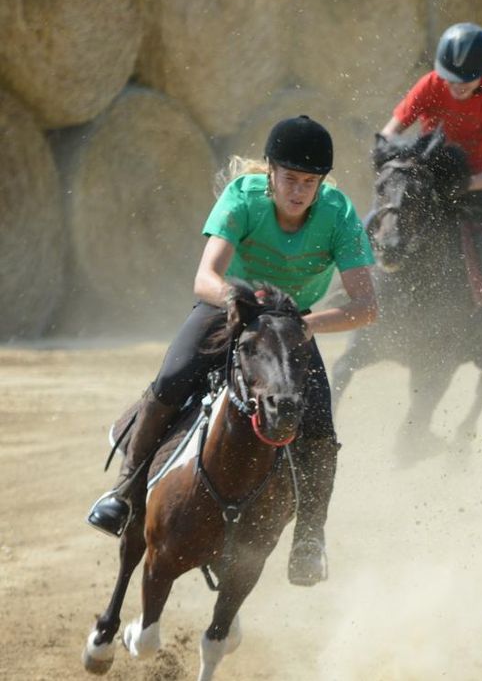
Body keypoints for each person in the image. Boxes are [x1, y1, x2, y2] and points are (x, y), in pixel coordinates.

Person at [85, 115, 378, 587]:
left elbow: (366, 307)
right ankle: (126, 492)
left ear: (321, 184)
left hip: (292, 326)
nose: (299, 191)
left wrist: (306, 325)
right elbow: (204, 279)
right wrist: (234, 302)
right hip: (230, 309)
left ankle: (309, 537)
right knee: (169, 380)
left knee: (319, 426)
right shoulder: (243, 197)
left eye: (309, 183)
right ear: (270, 174)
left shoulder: (339, 214)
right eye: (290, 179)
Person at [380, 22, 482, 192]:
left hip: (474, 181)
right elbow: (388, 134)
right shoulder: (430, 84)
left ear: (481, 73)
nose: (458, 86)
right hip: (428, 173)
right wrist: (400, 163)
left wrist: (458, 186)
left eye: (466, 80)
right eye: (451, 78)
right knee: (384, 211)